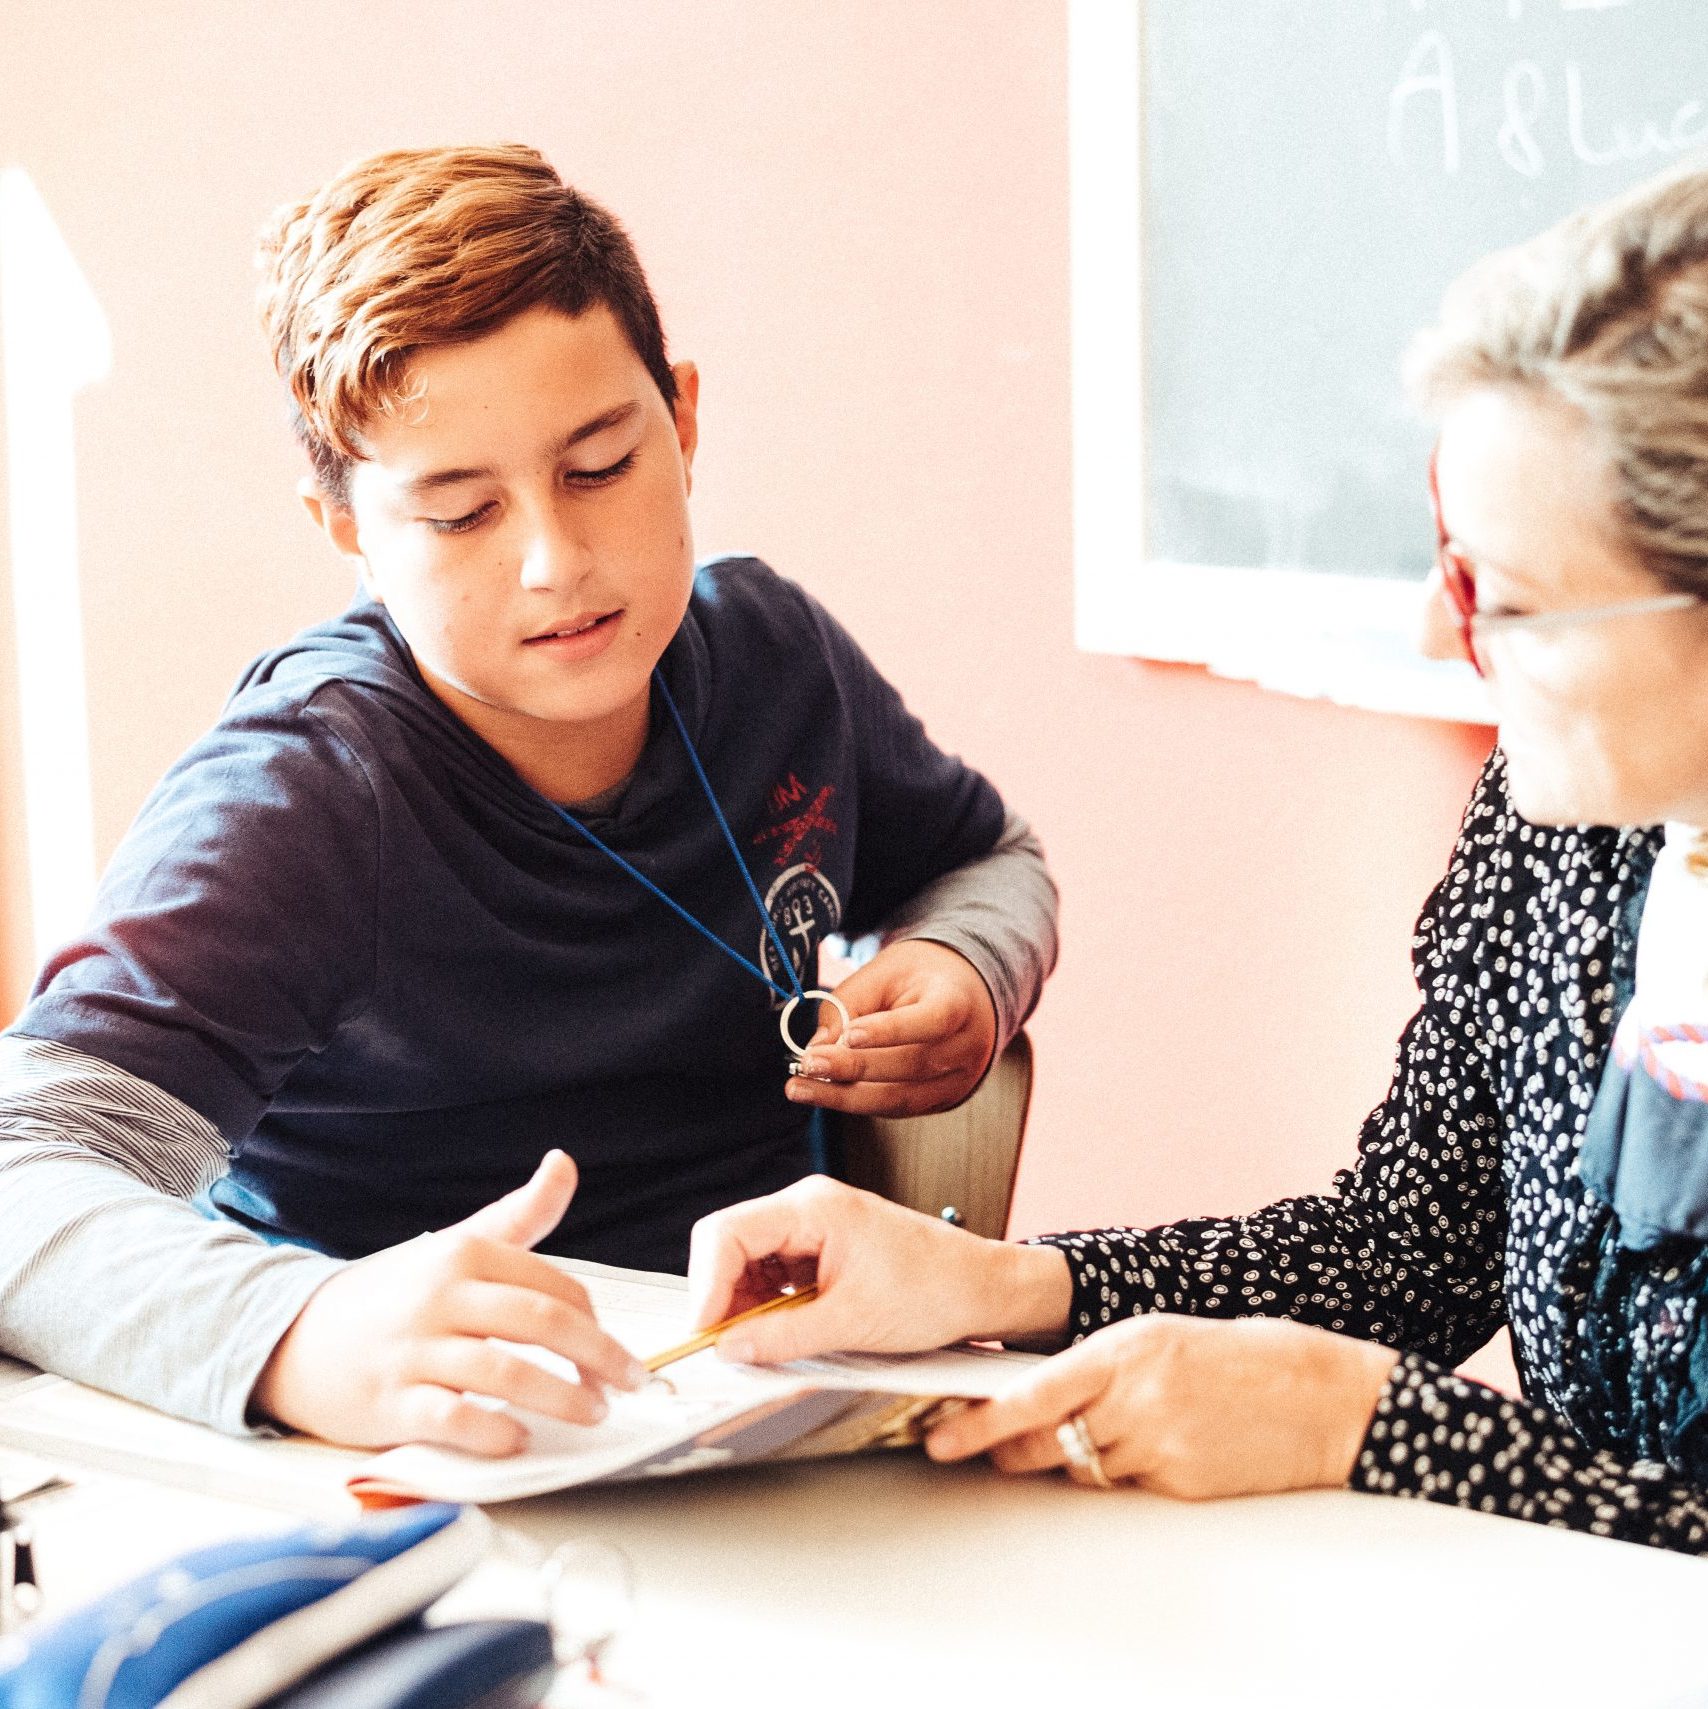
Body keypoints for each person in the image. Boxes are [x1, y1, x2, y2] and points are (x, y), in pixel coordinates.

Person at [687, 162, 1708, 1554]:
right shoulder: (1565, 832)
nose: (1434, 635)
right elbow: (1406, 1247)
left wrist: (1361, 1423)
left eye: (1503, 599)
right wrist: (994, 1284)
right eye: (1443, 561)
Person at [0, 145, 1057, 1456]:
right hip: (425, 1462)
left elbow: (990, 853)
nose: (555, 562)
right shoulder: (301, 790)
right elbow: (20, 1169)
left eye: (601, 466)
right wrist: (298, 1330)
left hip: (768, 1404)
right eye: (459, 513)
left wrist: (972, 963)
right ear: (345, 527)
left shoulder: (774, 656)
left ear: (680, 416)